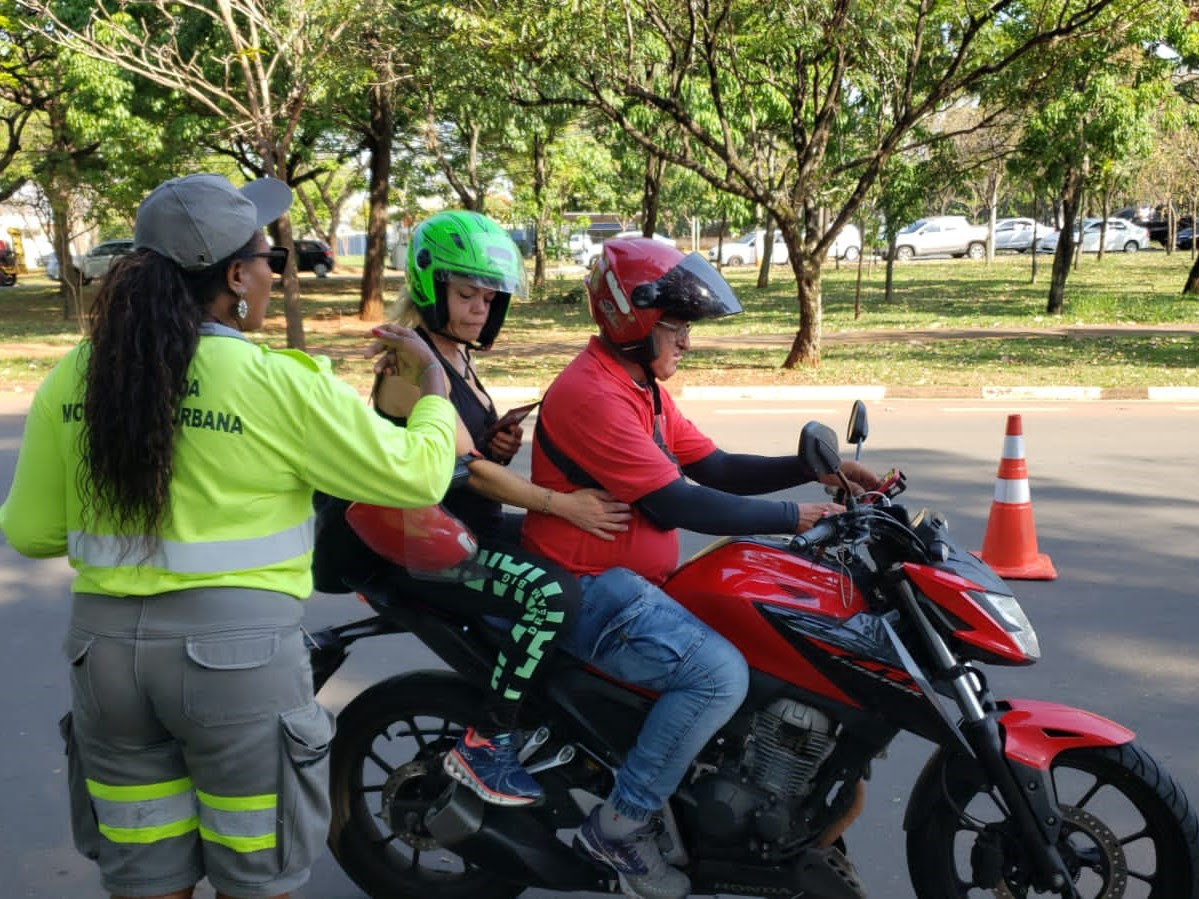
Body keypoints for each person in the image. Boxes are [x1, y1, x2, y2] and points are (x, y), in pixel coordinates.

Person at [0, 173, 460, 899]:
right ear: (237, 277)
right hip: (237, 667)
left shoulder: (76, 376)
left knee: (145, 871)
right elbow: (418, 477)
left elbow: (29, 532)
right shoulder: (273, 380)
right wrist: (433, 395)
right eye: (268, 259)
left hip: (107, 661)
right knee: (256, 871)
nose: (273, 273)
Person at [521, 239, 880, 899]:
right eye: (678, 326)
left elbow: (712, 466)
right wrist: (792, 515)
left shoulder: (639, 388)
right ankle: (620, 824)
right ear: (635, 319)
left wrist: (817, 471)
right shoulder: (592, 394)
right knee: (717, 674)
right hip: (588, 592)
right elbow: (676, 501)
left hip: (635, 587)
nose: (686, 341)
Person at [314, 210, 630, 808]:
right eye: (465, 294)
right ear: (432, 288)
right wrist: (564, 504)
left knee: (577, 553)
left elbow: (458, 458)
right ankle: (490, 741)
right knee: (550, 596)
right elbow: (472, 475)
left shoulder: (454, 355)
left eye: (488, 297)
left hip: (459, 527)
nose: (480, 308)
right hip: (424, 548)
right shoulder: (413, 365)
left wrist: (495, 444)